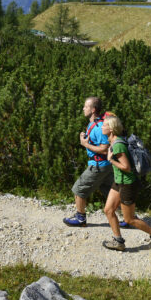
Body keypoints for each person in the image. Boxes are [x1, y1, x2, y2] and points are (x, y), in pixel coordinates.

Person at [101, 114, 151, 254]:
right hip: (119, 182)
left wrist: (111, 160)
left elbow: (126, 167)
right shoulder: (114, 142)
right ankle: (118, 241)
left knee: (129, 219)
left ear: (111, 129)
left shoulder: (118, 145)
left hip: (127, 184)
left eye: (104, 125)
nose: (102, 127)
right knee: (108, 210)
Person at [62, 97, 114, 227]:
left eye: (86, 106)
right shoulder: (94, 123)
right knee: (111, 192)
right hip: (106, 166)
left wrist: (85, 144)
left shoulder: (99, 126)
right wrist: (85, 139)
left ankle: (80, 218)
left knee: (79, 189)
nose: (83, 108)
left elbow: (104, 149)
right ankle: (128, 217)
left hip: (98, 166)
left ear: (93, 109)